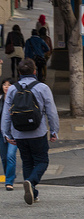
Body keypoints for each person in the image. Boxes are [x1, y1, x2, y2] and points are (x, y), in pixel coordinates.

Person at [1, 58, 59, 205]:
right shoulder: (42, 88)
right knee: (42, 161)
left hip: (19, 133)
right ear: (35, 71)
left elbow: (7, 113)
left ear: (19, 72)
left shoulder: (13, 89)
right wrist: (54, 130)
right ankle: (31, 182)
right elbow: (51, 112)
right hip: (37, 132)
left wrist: (6, 133)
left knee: (27, 162)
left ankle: (33, 192)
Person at [0, 78, 18, 191]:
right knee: (4, 158)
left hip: (14, 133)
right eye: (4, 85)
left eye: (9, 85)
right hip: (1, 133)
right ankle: (9, 175)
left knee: (11, 156)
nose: (6, 87)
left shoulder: (16, 99)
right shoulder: (0, 99)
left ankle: (9, 181)